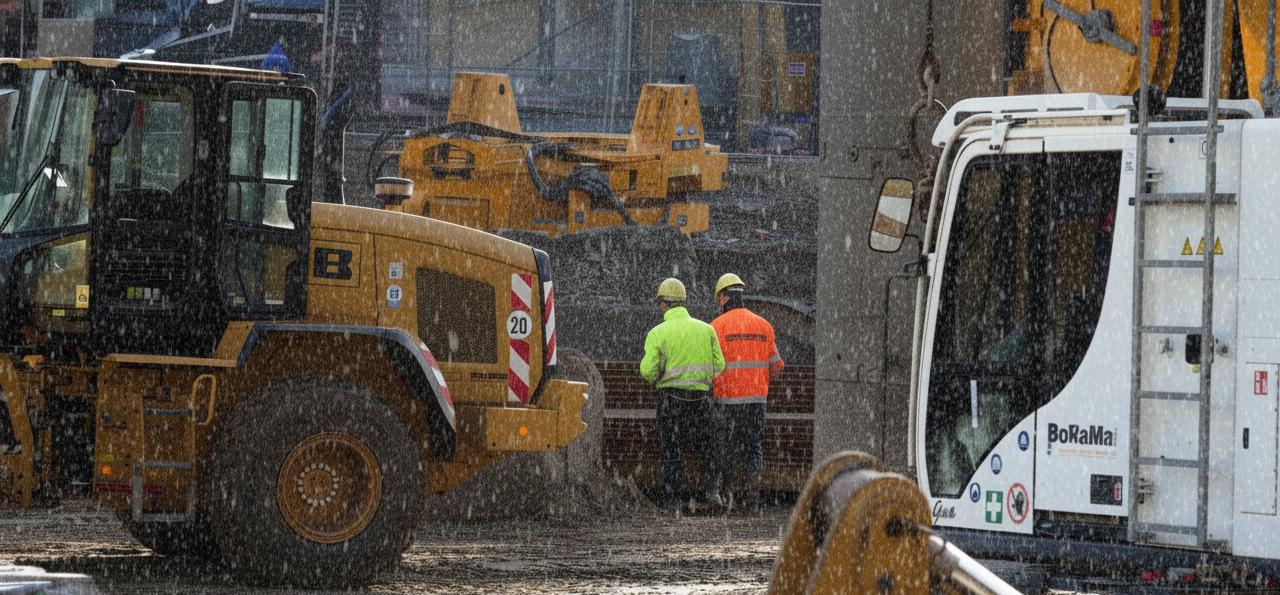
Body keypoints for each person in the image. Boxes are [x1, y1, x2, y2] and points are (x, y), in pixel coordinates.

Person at [640, 278, 725, 514]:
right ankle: (713, 493)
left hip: (670, 399)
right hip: (700, 399)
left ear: (664, 305)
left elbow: (647, 371)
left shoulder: (657, 333)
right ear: (684, 302)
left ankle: (673, 499)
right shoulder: (706, 329)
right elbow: (719, 365)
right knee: (708, 445)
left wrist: (662, 375)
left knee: (671, 448)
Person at [709, 273, 783, 513]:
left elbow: (708, 367)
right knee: (753, 445)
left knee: (726, 446)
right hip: (756, 400)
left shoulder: (715, 327)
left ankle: (724, 496)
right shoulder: (764, 325)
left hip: (726, 400)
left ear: (723, 297)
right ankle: (751, 498)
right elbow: (777, 367)